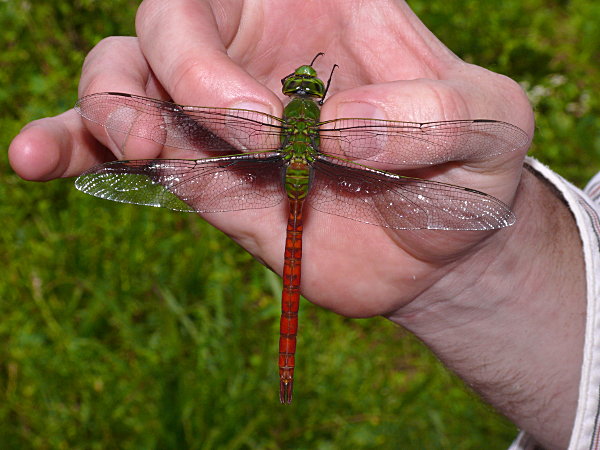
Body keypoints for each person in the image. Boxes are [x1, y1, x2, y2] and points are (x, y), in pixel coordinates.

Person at [8, 1, 597, 448]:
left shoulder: (294, 120)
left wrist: (473, 262)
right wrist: (481, 268)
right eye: (301, 88)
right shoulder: (313, 125)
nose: (303, 88)